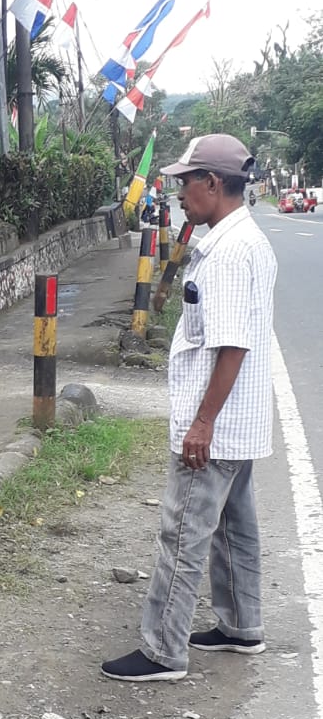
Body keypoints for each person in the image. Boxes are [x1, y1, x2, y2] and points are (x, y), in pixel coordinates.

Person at [101, 133, 277, 683]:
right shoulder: (249, 241)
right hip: (238, 420)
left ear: (213, 184)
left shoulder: (227, 253)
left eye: (185, 182)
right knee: (233, 527)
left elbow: (231, 343)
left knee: (183, 531)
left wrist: (202, 423)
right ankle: (240, 624)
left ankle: (162, 650)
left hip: (216, 426)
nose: (177, 192)